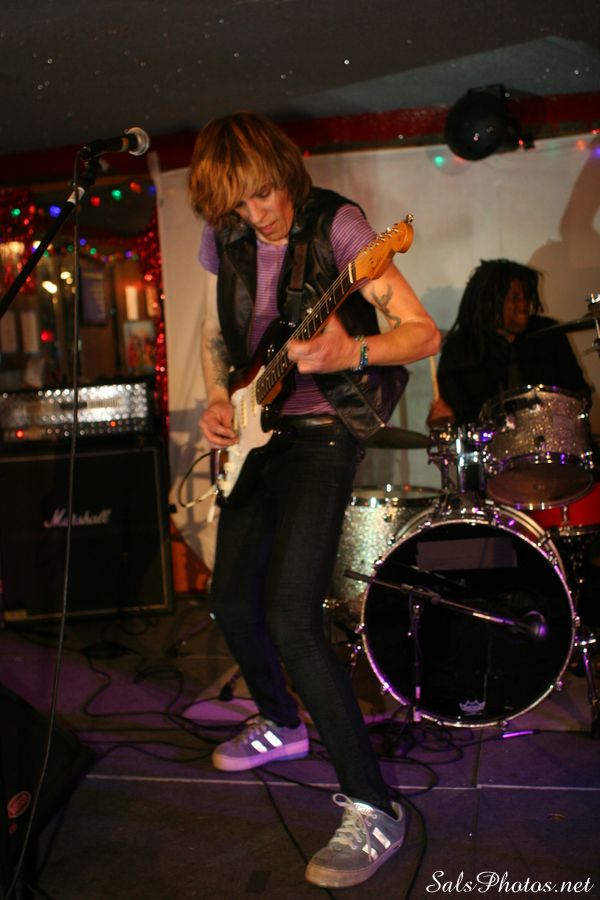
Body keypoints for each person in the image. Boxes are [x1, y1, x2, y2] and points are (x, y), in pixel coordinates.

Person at [188, 111, 439, 889]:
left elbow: (422, 333)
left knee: (292, 616)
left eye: (263, 193)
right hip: (258, 432)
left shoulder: (342, 228)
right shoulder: (227, 236)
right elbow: (217, 334)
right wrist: (220, 400)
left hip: (325, 431)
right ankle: (281, 722)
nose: (256, 213)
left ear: (285, 168)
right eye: (239, 204)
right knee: (231, 602)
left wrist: (351, 349)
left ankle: (374, 806)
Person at [427, 258, 591, 428]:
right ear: (489, 302)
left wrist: (576, 405)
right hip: (490, 442)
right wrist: (444, 418)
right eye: (514, 298)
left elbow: (579, 391)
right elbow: (453, 416)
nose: (524, 304)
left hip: (552, 439)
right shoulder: (460, 348)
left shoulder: (549, 334)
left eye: (526, 296)